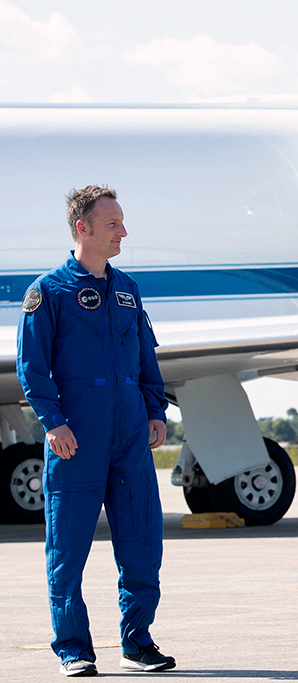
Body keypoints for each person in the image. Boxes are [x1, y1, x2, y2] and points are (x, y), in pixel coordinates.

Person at [17, 186, 174, 677]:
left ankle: (138, 641)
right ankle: (73, 648)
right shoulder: (48, 292)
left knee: (142, 543)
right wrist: (53, 421)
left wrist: (155, 409)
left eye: (122, 222)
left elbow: (146, 354)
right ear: (83, 228)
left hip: (129, 437)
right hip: (76, 439)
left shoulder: (128, 290)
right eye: (113, 224)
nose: (123, 231)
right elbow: (32, 367)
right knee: (67, 549)